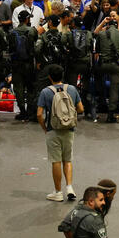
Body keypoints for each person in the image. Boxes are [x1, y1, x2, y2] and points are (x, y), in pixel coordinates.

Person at [37, 64, 83, 202]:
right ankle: (69, 187)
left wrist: (45, 127)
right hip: (69, 129)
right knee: (67, 159)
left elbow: (39, 114)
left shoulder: (45, 92)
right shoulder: (72, 89)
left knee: (56, 160)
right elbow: (80, 109)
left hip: (53, 129)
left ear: (49, 77)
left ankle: (58, 192)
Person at [94, 10, 119, 123]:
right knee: (114, 88)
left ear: (107, 26)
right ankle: (111, 113)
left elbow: (97, 49)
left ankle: (101, 103)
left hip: (103, 64)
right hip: (115, 64)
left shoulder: (101, 34)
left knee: (99, 82)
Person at [9, 10, 38, 121]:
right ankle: (30, 112)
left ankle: (22, 111)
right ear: (27, 19)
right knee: (30, 88)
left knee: (18, 88)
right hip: (29, 64)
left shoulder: (12, 32)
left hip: (16, 64)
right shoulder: (32, 31)